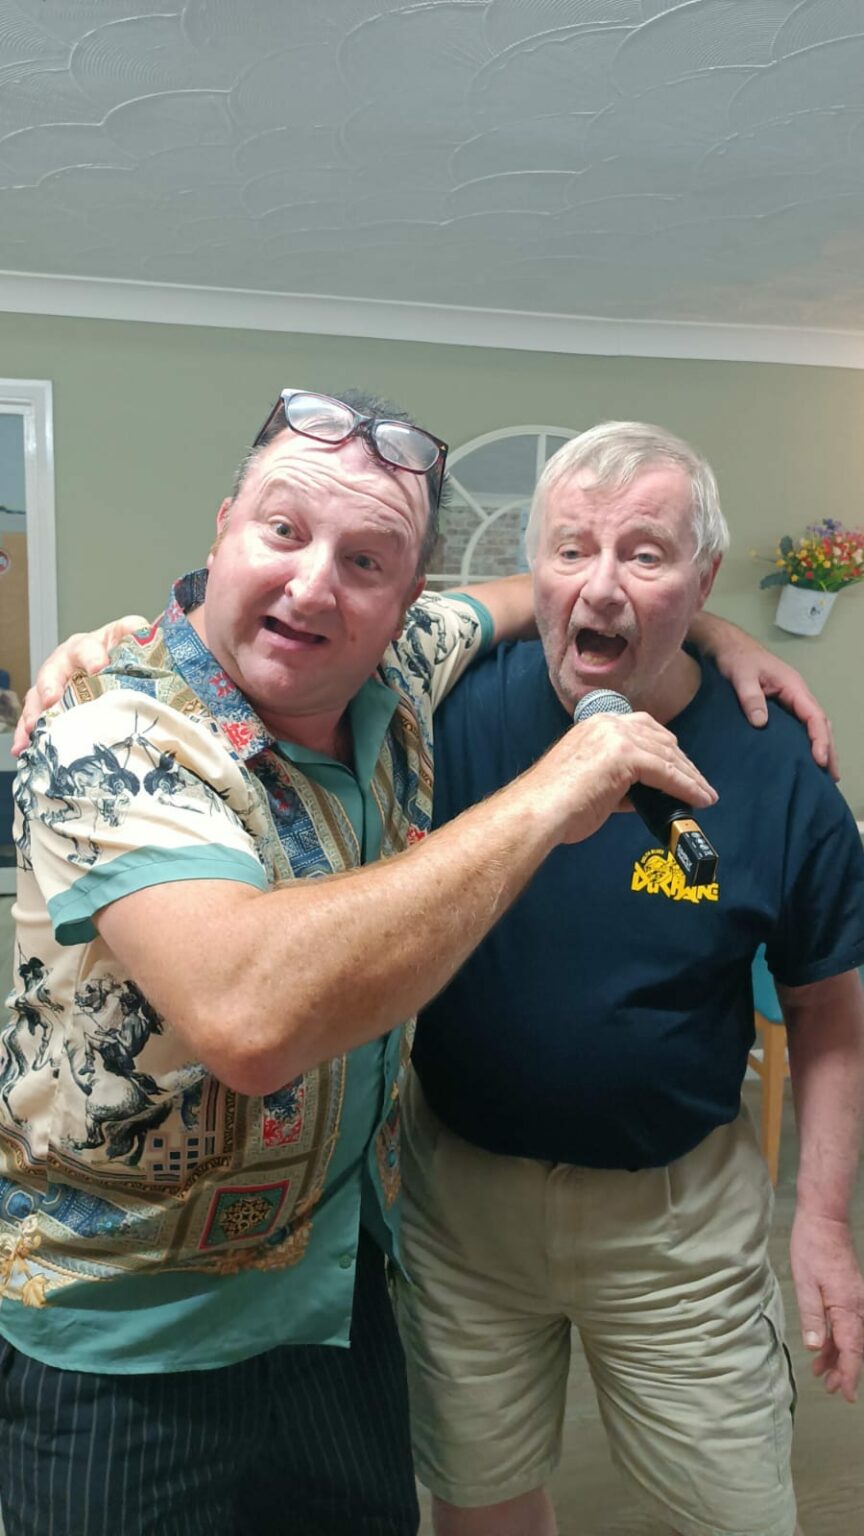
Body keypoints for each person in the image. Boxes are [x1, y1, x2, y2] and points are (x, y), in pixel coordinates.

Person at [1, 393, 837, 1536]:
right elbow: (250, 1019)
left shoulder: (400, 674)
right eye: (282, 531)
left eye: (366, 560)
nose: (313, 585)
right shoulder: (110, 731)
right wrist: (553, 793)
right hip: (128, 1332)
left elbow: (548, 593)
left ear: (407, 602)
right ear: (221, 530)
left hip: (336, 1296)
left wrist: (708, 629)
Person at [398, 422, 864, 1536]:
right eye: (571, 550)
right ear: (535, 570)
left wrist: (822, 1221)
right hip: (461, 1210)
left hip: (679, 1228)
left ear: (703, 579)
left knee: (740, 1513)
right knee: (479, 1503)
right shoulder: (450, 713)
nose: (600, 585)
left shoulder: (777, 764)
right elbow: (274, 646)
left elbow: (827, 1009)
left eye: (646, 555)